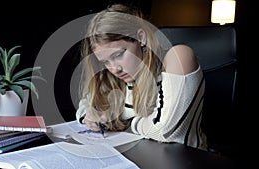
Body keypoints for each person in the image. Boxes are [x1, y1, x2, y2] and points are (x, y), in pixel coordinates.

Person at [75, 3, 207, 151]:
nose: (114, 68)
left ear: (140, 38)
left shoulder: (178, 57)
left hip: (184, 160)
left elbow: (166, 131)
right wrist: (90, 116)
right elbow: (85, 105)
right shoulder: (112, 77)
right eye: (105, 61)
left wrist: (120, 123)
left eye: (119, 54)